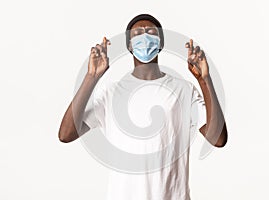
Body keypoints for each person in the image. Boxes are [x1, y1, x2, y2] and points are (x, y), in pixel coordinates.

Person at [58, 14, 228, 200]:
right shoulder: (111, 92)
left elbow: (218, 139)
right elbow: (66, 134)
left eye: (151, 32)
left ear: (160, 43)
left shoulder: (184, 90)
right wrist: (92, 76)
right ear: (129, 45)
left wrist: (204, 80)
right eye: (137, 33)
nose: (144, 37)